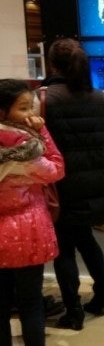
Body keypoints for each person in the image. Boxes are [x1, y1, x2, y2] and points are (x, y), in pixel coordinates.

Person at [42, 39, 104, 331]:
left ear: (52, 65)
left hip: (62, 183)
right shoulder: (102, 97)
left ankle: (73, 310)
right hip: (98, 180)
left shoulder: (43, 98)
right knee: (86, 239)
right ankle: (103, 295)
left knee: (64, 247)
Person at [0, 79, 64, 346]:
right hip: (29, 234)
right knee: (31, 303)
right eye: (23, 108)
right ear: (3, 112)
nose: (30, 114)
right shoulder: (27, 149)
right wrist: (43, 132)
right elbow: (57, 169)